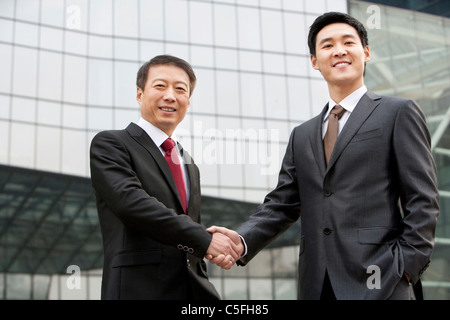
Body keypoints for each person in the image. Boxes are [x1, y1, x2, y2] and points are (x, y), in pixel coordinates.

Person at [207, 12, 439, 300]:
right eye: (327, 45)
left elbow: (423, 199)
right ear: (314, 61)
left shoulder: (398, 112)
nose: (339, 50)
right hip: (317, 285)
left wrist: (405, 266)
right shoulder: (302, 135)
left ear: (365, 52)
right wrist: (241, 240)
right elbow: (281, 204)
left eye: (348, 43)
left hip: (383, 282)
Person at [90, 54, 242, 300]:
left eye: (180, 89)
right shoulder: (111, 144)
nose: (170, 96)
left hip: (193, 292)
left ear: (188, 102)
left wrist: (215, 250)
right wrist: (205, 240)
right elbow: (132, 203)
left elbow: (187, 229)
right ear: (139, 94)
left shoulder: (188, 162)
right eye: (160, 86)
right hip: (137, 290)